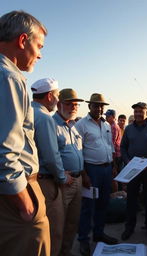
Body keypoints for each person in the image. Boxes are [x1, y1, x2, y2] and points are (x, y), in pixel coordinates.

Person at [0, 10, 50, 256]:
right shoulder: (9, 77)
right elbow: (5, 151)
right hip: (15, 197)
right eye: (38, 45)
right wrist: (24, 202)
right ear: (22, 41)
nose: (40, 54)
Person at [31, 79, 73, 256]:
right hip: (46, 183)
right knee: (54, 230)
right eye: (57, 96)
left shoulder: (27, 111)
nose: (57, 100)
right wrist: (63, 177)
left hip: (30, 181)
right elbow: (51, 156)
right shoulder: (45, 118)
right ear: (49, 96)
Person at [76, 93, 118, 256]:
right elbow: (78, 151)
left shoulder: (106, 125)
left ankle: (99, 234)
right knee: (88, 207)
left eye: (101, 106)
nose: (99, 108)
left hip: (107, 170)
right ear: (89, 106)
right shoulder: (81, 125)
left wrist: (113, 166)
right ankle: (83, 240)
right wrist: (84, 173)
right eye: (96, 105)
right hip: (91, 170)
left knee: (103, 204)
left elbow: (110, 146)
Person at [121, 102, 147, 242]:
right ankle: (129, 228)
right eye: (136, 111)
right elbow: (123, 147)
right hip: (133, 169)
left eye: (140, 111)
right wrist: (127, 161)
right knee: (131, 199)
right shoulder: (128, 129)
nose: (138, 114)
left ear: (146, 113)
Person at [52, 88, 84, 256]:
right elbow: (49, 155)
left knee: (73, 221)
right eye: (69, 104)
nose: (73, 107)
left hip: (77, 181)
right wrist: (62, 176)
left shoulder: (73, 125)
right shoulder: (52, 124)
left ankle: (66, 252)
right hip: (64, 182)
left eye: (76, 105)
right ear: (59, 104)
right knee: (58, 224)